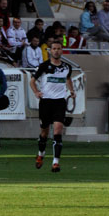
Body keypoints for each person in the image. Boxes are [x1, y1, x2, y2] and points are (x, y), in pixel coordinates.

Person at [30, 41, 75, 173]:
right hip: (46, 102)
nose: (56, 51)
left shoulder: (67, 67)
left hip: (59, 102)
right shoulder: (43, 66)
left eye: (58, 49)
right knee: (44, 132)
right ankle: (41, 154)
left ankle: (56, 162)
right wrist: (36, 92)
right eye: (54, 49)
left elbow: (68, 79)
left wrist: (71, 91)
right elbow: (32, 81)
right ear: (50, 51)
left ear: (62, 51)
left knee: (57, 131)